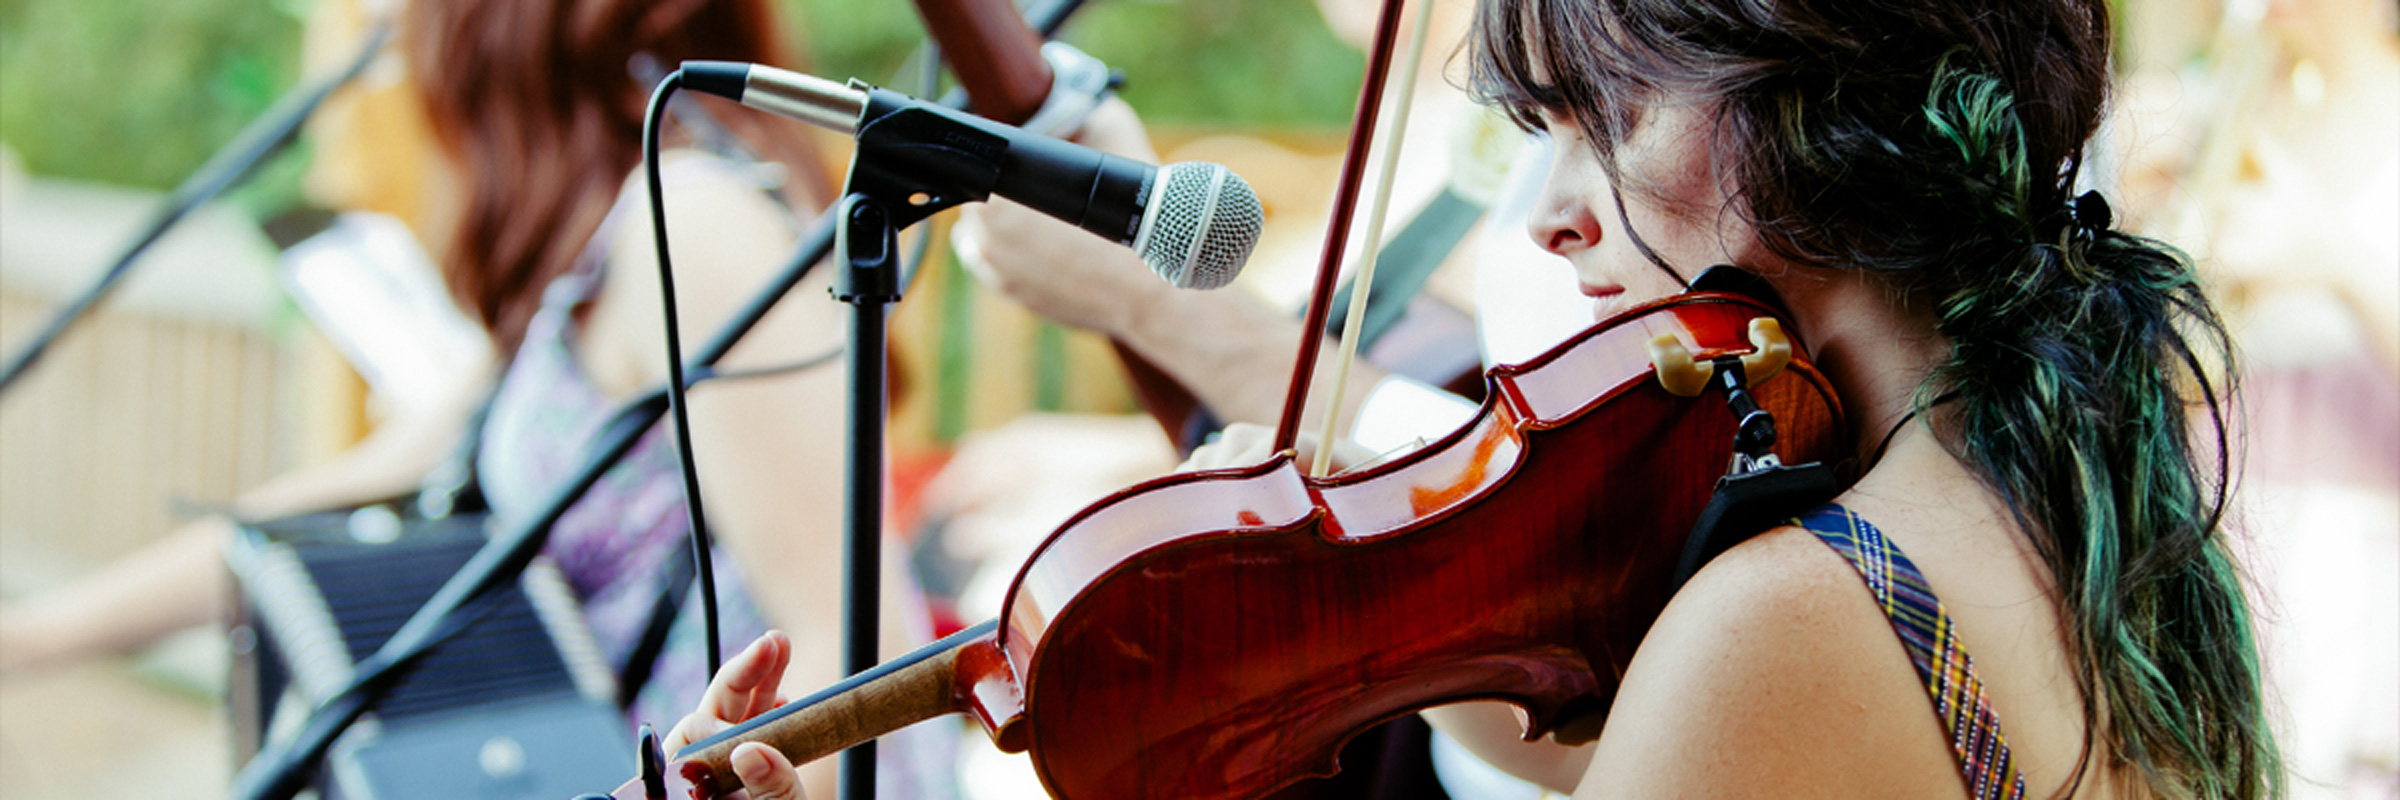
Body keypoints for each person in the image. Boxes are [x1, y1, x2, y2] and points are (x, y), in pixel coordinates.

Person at [676, 0, 2287, 796]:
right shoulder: (2044, 458)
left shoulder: (1807, 620)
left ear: (1827, 108)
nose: (1549, 213)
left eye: (1608, 115)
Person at [0, 0, 957, 797]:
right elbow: (351, 493)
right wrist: (33, 639)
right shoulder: (595, 249)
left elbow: (856, 641)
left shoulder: (698, 221)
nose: (380, 20)